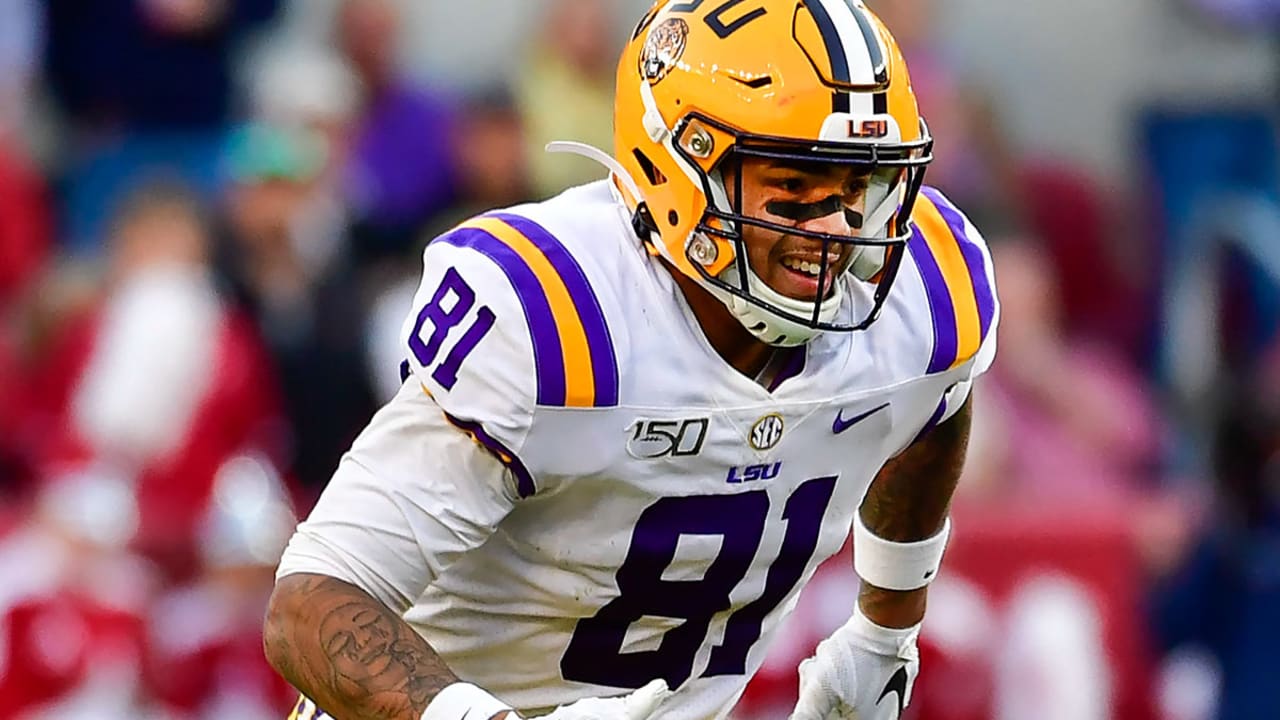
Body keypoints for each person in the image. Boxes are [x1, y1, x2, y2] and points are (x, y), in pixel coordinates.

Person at [263, 2, 998, 719]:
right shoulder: (554, 316)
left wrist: (883, 633)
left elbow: (935, 399)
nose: (836, 229)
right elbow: (310, 603)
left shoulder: (923, 296)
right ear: (680, 168)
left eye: (857, 186)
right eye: (793, 187)